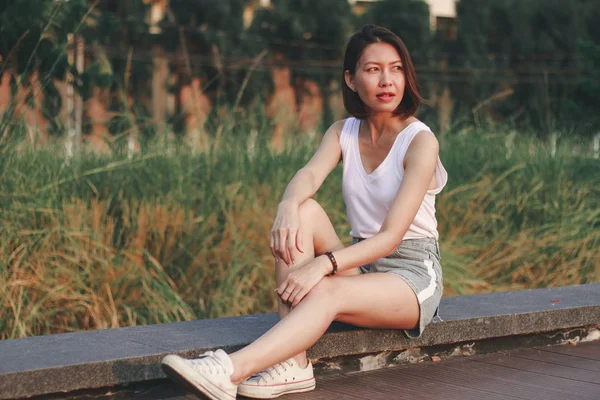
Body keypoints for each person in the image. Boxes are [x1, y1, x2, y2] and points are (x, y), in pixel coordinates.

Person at [161, 24, 447, 400]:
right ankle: (292, 365)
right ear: (351, 78)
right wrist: (287, 208)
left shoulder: (420, 141)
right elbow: (308, 175)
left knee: (328, 289)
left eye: (395, 68)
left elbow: (391, 237)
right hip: (363, 265)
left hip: (412, 275)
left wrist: (324, 263)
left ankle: (227, 369)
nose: (386, 80)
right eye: (373, 69)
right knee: (304, 211)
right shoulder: (344, 131)